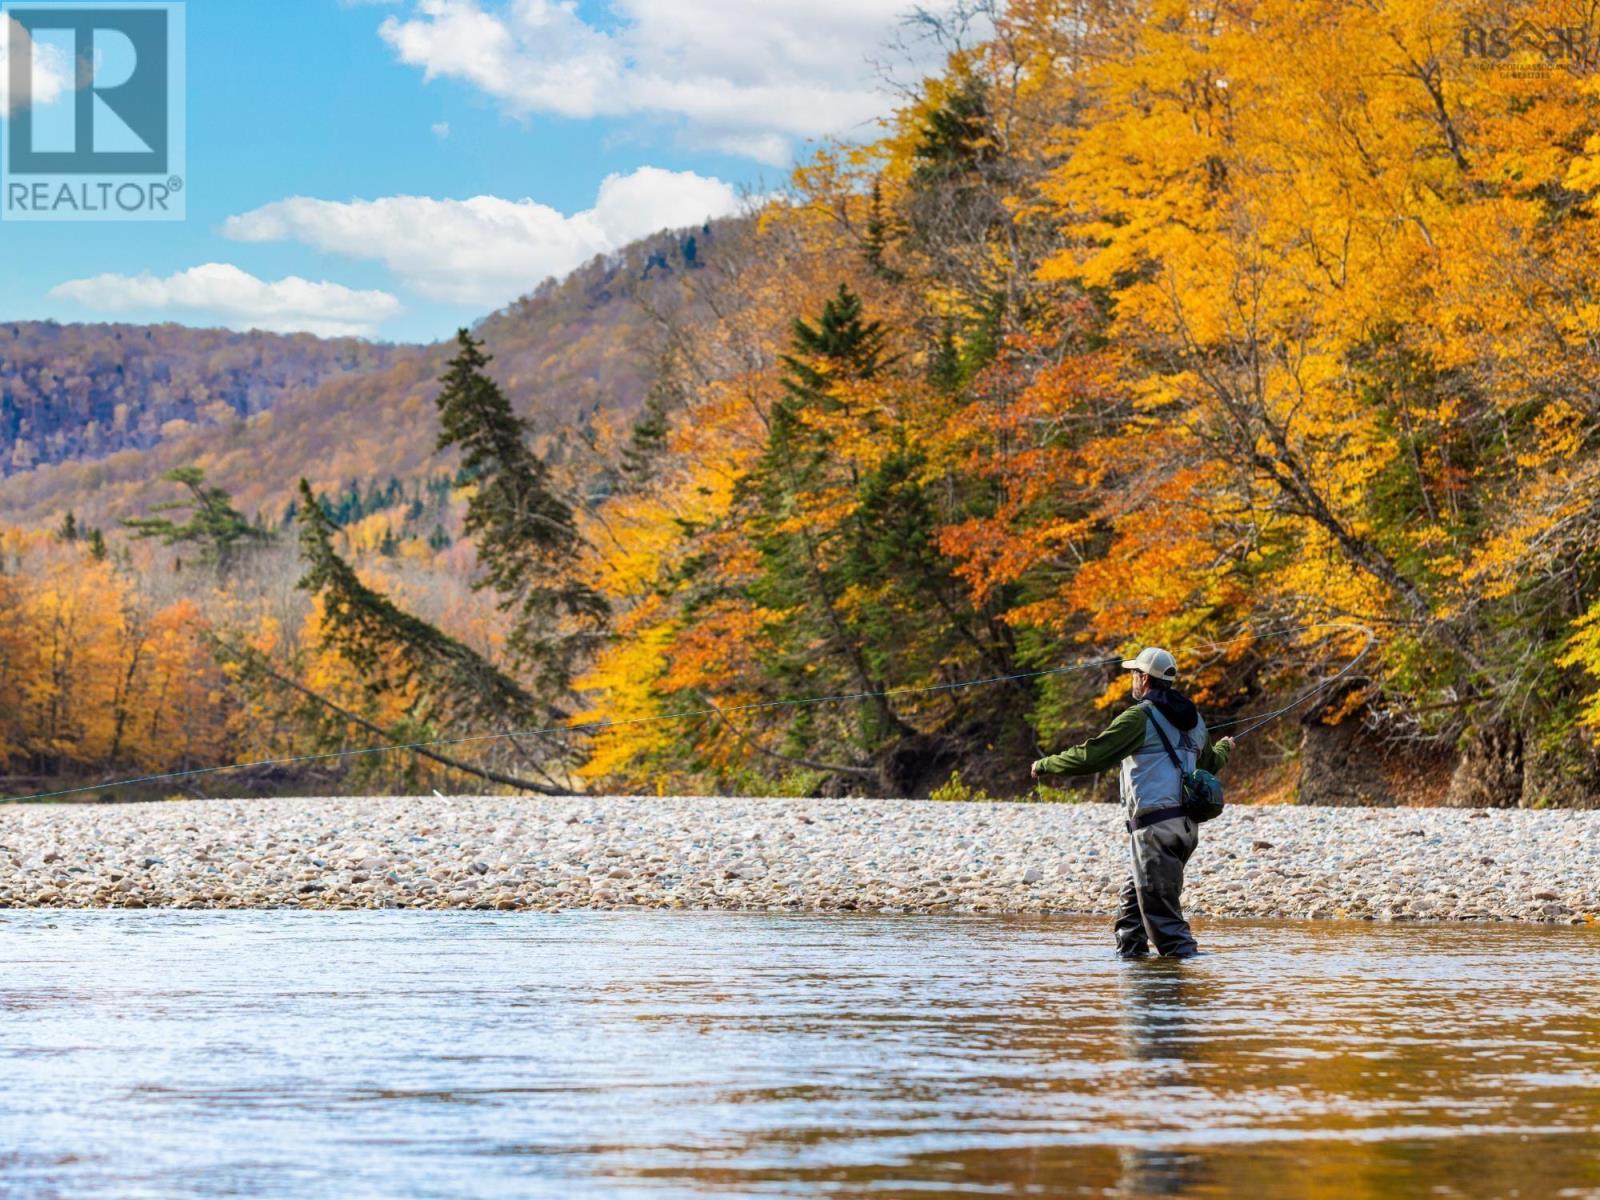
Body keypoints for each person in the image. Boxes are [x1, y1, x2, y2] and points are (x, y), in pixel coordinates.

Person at [1031, 647, 1233, 959]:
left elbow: (1093, 755)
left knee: (1165, 925)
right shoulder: (1196, 722)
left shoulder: (1139, 718)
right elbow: (1210, 762)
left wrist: (1046, 765)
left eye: (1133, 674)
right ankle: (1134, 968)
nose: (1131, 680)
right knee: (1133, 912)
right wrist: (1224, 748)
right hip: (1185, 830)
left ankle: (1189, 986)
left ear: (1143, 678)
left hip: (1155, 831)